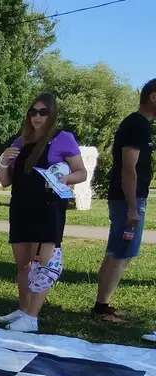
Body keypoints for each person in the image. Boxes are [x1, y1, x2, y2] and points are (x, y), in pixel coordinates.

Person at [0, 92, 87, 333]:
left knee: (41, 262)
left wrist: (64, 179)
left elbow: (81, 172)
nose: (37, 117)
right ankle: (23, 310)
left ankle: (33, 316)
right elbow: (5, 182)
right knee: (23, 265)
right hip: (21, 206)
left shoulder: (62, 138)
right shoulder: (19, 142)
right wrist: (4, 161)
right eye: (33, 112)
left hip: (47, 207)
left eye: (43, 112)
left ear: (52, 113)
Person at [93, 78, 155, 330]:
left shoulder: (140, 125)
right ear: (153, 97)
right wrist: (132, 206)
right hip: (128, 199)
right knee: (121, 253)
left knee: (116, 251)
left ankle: (102, 304)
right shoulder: (137, 125)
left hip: (127, 198)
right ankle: (101, 307)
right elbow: (128, 168)